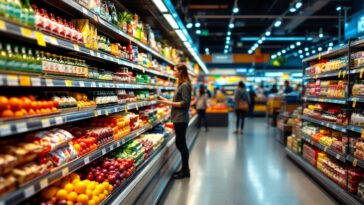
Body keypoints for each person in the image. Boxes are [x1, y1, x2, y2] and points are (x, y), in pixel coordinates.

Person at [158, 63, 192, 179]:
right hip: (178, 118)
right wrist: (163, 99)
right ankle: (184, 169)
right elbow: (179, 100)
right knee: (180, 143)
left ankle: (185, 171)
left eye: (175, 70)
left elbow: (185, 103)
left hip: (181, 119)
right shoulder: (182, 84)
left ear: (181, 71)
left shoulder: (185, 85)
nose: (174, 72)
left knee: (181, 144)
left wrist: (167, 103)